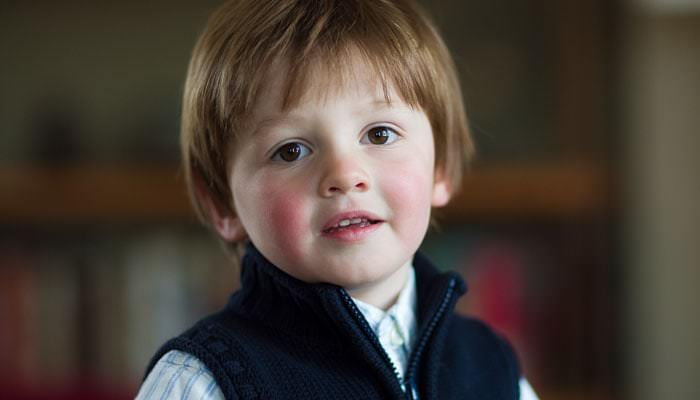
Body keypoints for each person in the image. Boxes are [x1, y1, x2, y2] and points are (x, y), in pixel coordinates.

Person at [136, 0, 539, 399]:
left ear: (441, 169)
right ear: (222, 204)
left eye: (380, 134)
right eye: (291, 150)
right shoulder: (204, 381)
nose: (345, 175)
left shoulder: (492, 365)